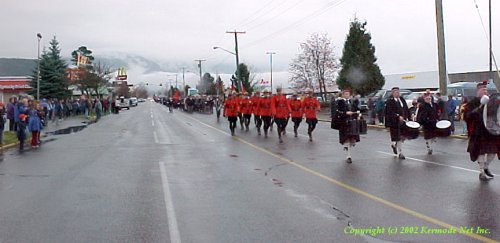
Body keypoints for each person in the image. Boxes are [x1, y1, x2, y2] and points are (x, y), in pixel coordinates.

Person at [464, 82, 500, 181]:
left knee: (493, 151)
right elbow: (467, 116)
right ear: (478, 90)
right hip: (478, 131)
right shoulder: (472, 103)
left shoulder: (491, 101)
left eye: (486, 89)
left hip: (490, 130)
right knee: (481, 152)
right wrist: (480, 106)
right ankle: (482, 173)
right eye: (483, 89)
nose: (485, 91)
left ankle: (486, 166)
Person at [384, 87, 410, 160]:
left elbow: (406, 109)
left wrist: (409, 117)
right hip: (394, 122)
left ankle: (395, 146)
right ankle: (399, 152)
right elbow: (389, 112)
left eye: (398, 92)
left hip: (403, 122)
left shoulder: (402, 100)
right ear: (392, 93)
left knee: (402, 136)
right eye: (396, 92)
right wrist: (397, 116)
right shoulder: (390, 102)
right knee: (397, 137)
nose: (398, 93)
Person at [336, 89, 361, 163]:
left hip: (352, 122)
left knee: (351, 139)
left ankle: (348, 151)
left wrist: (358, 115)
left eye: (348, 94)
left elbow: (356, 110)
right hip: (344, 123)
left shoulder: (351, 102)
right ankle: (348, 156)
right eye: (346, 94)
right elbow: (337, 112)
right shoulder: (340, 102)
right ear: (343, 95)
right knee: (346, 139)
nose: (347, 95)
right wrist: (345, 113)